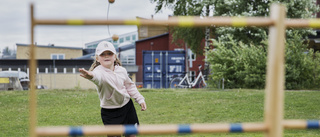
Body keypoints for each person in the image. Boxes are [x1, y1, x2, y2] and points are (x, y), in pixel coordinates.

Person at [79, 41, 146, 137]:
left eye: (109, 53)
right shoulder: (98, 72)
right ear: (97, 58)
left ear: (115, 56)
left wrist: (140, 99)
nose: (106, 56)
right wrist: (90, 75)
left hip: (127, 107)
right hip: (110, 113)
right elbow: (96, 77)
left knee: (132, 135)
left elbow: (130, 86)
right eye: (103, 54)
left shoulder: (121, 71)